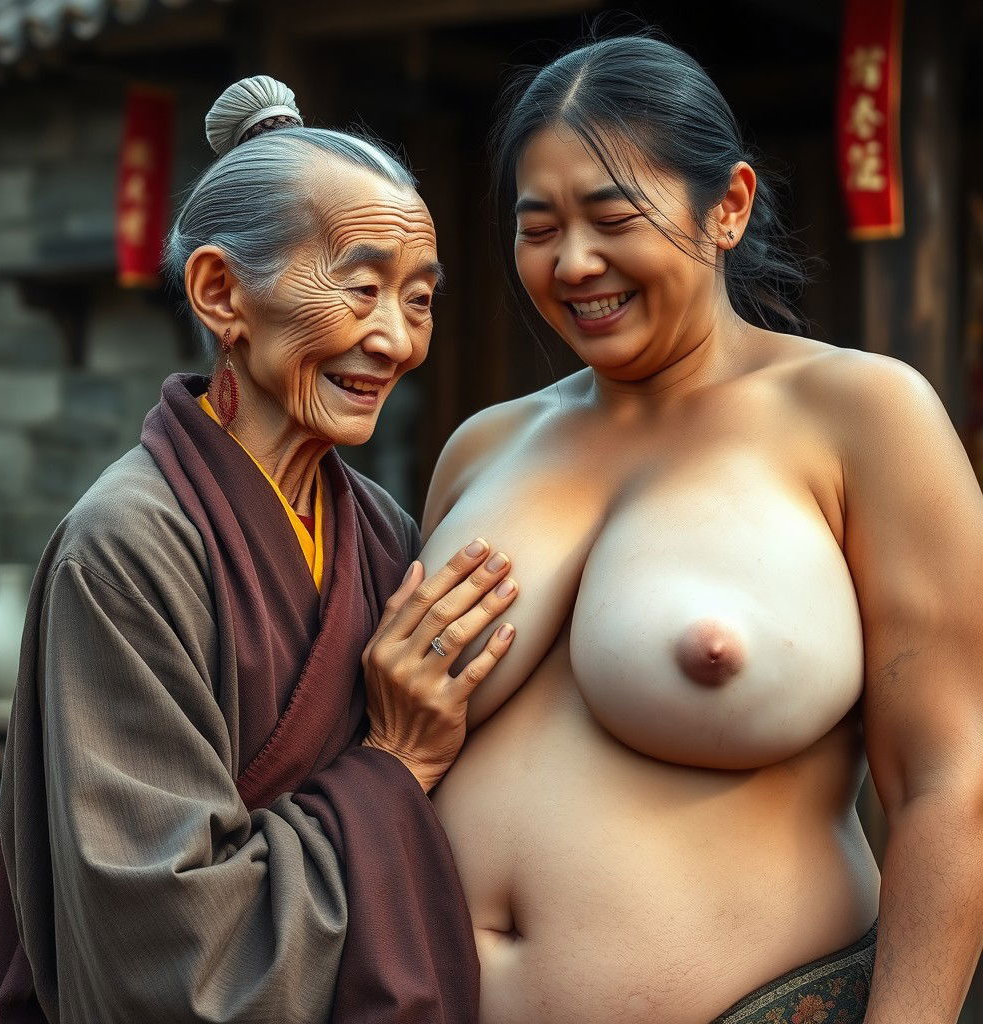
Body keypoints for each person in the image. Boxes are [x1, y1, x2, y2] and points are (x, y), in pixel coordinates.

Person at [419, 34, 983, 1024]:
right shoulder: (481, 448)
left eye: (611, 216)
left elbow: (951, 779)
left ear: (725, 206)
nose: (573, 260)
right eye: (537, 225)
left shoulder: (860, 415)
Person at [0, 75, 519, 1024]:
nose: (395, 339)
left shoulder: (381, 529)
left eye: (420, 298)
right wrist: (391, 764)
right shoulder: (126, 548)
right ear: (222, 293)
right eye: (360, 288)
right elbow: (168, 957)